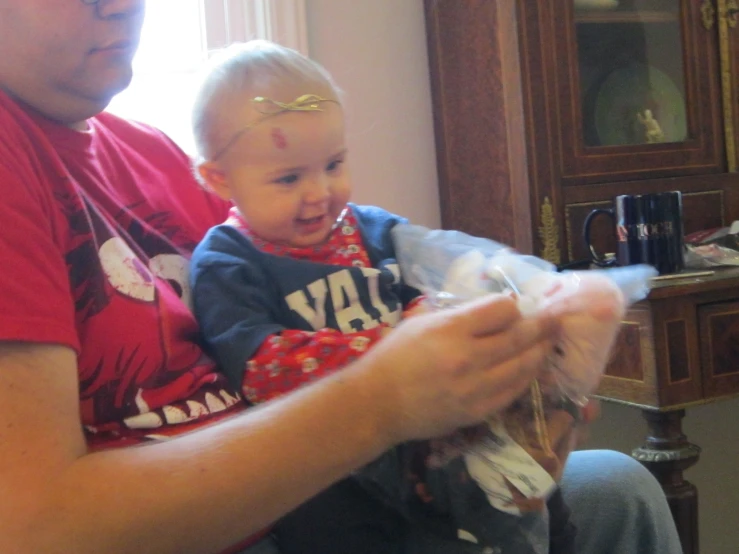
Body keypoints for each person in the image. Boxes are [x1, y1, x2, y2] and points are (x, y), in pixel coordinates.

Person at [0, 1, 683, 554]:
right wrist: (381, 398)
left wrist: (504, 397)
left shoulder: (148, 152)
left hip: (339, 478)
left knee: (614, 491)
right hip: (277, 520)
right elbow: (32, 528)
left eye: (331, 166)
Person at [187, 40, 577, 554]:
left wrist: (499, 303)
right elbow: (263, 369)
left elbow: (438, 284)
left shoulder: (373, 230)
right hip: (328, 463)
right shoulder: (226, 261)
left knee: (540, 494)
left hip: (432, 438)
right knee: (321, 518)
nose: (319, 192)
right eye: (288, 178)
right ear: (218, 179)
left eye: (333, 164)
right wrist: (396, 351)